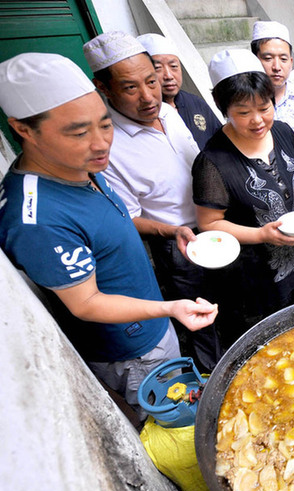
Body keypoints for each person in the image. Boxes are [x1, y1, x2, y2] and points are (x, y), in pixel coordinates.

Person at [0, 53, 218, 418]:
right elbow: (85, 303)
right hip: (131, 350)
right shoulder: (36, 219)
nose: (101, 143)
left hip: (153, 318)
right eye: (79, 132)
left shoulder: (79, 165)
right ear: (23, 130)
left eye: (104, 124)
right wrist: (169, 308)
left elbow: (110, 223)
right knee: (174, 419)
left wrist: (169, 229)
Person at [83, 32, 222, 372]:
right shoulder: (109, 147)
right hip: (180, 240)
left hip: (216, 225)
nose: (148, 97)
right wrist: (171, 231)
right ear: (103, 88)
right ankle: (214, 374)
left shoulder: (170, 112)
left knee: (228, 300)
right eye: (130, 88)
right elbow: (127, 218)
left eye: (151, 81)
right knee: (199, 315)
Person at [192, 49, 294, 347]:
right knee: (270, 343)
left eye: (264, 107)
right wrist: (261, 234)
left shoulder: (284, 132)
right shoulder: (213, 161)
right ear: (224, 109)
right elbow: (209, 224)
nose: (258, 120)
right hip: (255, 278)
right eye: (243, 113)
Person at [137, 33, 221, 150]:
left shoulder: (196, 103)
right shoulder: (141, 112)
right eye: (157, 68)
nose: (169, 75)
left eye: (173, 66)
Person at [250, 21, 294, 147]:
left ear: (291, 62)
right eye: (268, 58)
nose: (277, 67)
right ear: (254, 60)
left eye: (283, 59)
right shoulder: (244, 103)